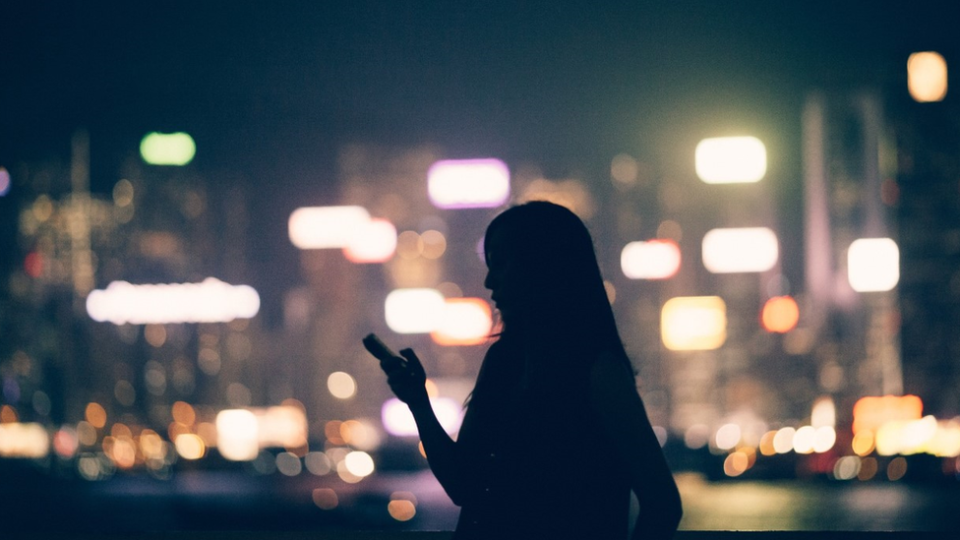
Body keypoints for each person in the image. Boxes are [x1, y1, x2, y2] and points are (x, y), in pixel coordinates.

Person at [371, 201, 682, 539]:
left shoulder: (595, 370)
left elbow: (662, 503)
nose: (490, 281)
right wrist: (418, 402)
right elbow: (464, 484)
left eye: (501, 264)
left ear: (541, 267)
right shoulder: (507, 360)